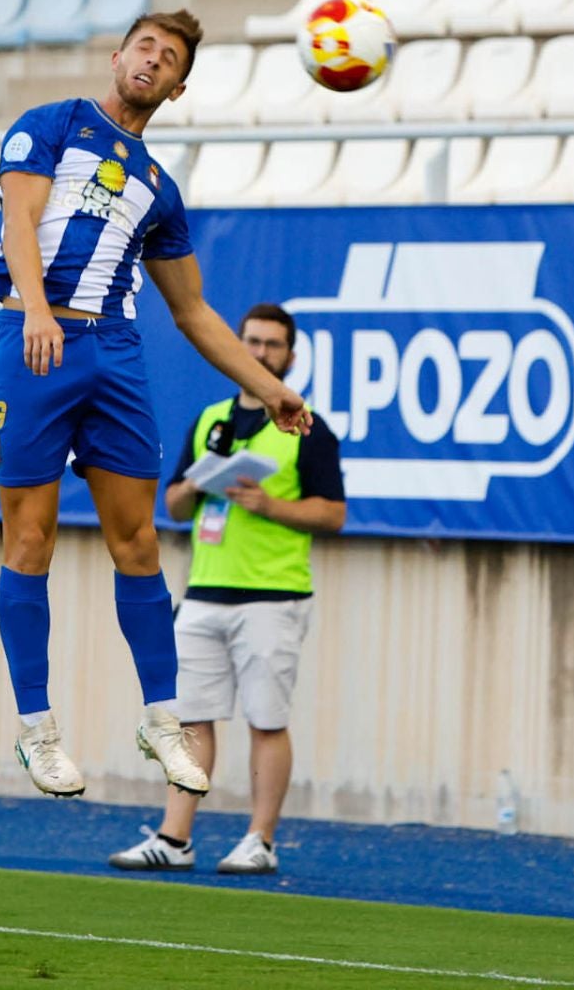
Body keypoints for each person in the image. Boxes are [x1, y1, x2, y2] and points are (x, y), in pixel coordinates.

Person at [0, 8, 312, 800]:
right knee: (30, 538)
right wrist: (37, 309)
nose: (153, 60)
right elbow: (19, 219)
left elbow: (193, 311)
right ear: (117, 56)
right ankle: (38, 729)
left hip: (116, 352)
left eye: (169, 58)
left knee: (137, 543)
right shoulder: (50, 126)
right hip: (35, 341)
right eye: (145, 47)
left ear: (178, 88)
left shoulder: (159, 189)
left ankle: (162, 720)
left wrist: (270, 387)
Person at [109, 303, 345, 876]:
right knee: (189, 719)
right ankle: (175, 837)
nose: (261, 353)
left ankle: (260, 839)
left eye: (272, 344)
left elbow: (333, 514)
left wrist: (270, 505)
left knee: (267, 720)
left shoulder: (307, 427)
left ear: (291, 356)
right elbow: (173, 505)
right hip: (205, 591)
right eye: (252, 342)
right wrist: (200, 482)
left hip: (273, 595)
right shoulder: (211, 420)